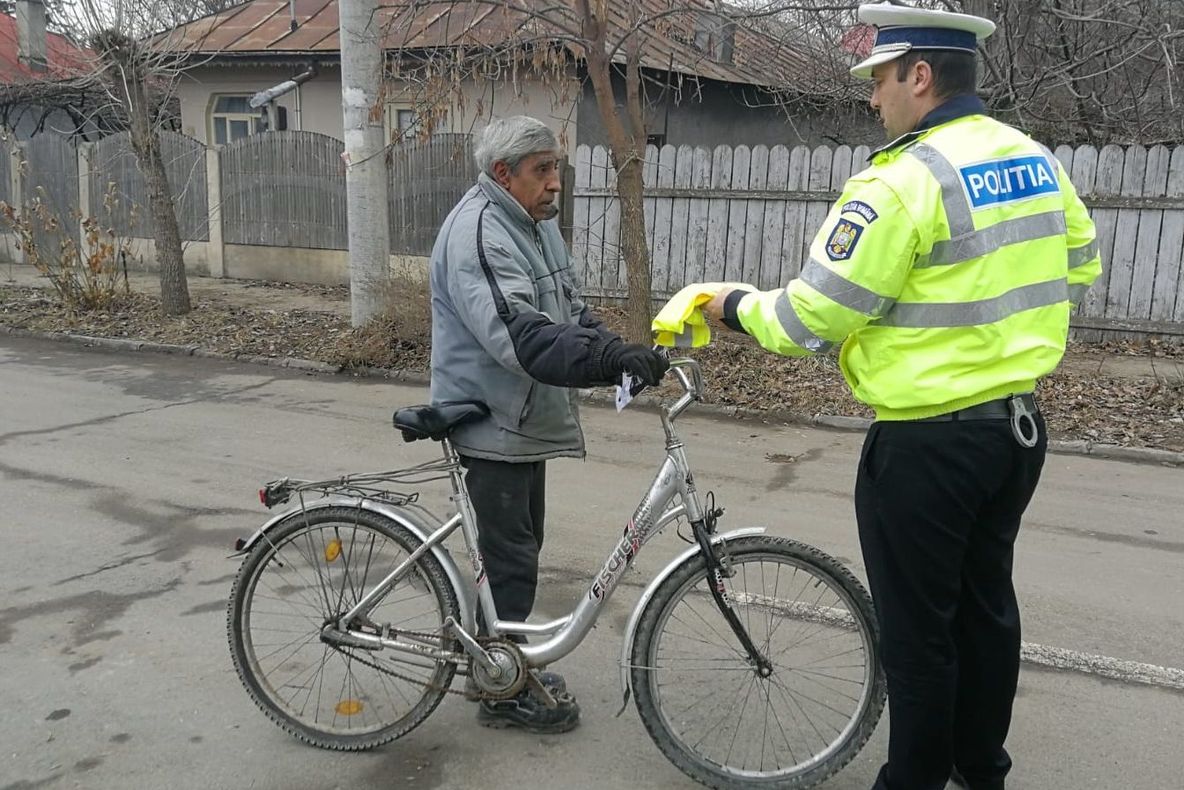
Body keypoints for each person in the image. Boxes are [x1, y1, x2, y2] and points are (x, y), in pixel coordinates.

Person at [701, 3, 1102, 788]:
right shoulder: (1035, 160)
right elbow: (1080, 261)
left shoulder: (902, 179)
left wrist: (730, 307)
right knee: (986, 609)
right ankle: (978, 766)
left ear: (920, 76)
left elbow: (815, 314)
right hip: (1016, 430)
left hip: (926, 444)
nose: (874, 99)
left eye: (880, 80)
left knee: (919, 635)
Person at [429, 115, 668, 734]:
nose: (555, 181)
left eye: (557, 167)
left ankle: (504, 663)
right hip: (489, 418)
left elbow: (570, 310)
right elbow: (522, 337)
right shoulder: (481, 232)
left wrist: (619, 348)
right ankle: (501, 690)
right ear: (502, 174)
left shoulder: (533, 226)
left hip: (520, 415)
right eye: (543, 170)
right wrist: (605, 360)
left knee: (519, 550)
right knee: (510, 560)